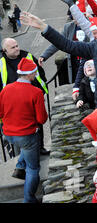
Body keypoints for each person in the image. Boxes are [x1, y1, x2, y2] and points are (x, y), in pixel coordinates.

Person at [0, 58, 48, 203]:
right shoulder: (36, 92)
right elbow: (42, 119)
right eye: (34, 72)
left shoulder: (5, 89)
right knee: (33, 169)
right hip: (26, 136)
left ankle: (20, 165)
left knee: (25, 151)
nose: (35, 74)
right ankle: (29, 199)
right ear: (28, 75)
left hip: (8, 134)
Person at [0, 38, 49, 156]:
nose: (17, 48)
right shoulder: (1, 62)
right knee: (14, 128)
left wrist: (40, 91)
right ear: (4, 50)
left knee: (37, 123)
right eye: (13, 47)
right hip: (11, 102)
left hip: (30, 98)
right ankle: (16, 155)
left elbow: (39, 72)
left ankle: (39, 148)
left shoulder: (27, 56)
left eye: (17, 45)